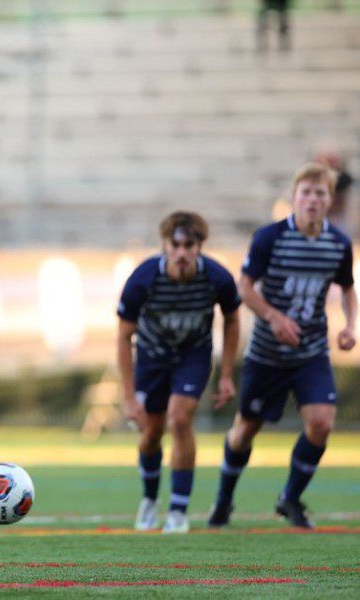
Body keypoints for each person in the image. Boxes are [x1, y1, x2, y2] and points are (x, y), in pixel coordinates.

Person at [208, 163, 356, 529]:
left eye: (320, 193)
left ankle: (289, 498)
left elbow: (348, 288)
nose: (312, 199)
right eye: (305, 192)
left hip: (311, 353)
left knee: (321, 423)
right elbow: (244, 287)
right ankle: (223, 501)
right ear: (294, 197)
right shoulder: (269, 238)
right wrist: (274, 317)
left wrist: (351, 325)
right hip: (267, 354)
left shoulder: (338, 243)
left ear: (329, 200)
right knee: (245, 430)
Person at [117, 211, 241, 533]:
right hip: (151, 359)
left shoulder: (217, 278)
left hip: (193, 356)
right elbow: (122, 335)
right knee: (151, 434)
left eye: (190, 245)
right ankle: (149, 500)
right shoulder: (143, 278)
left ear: (200, 247)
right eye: (177, 245)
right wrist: (129, 397)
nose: (183, 252)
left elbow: (232, 319)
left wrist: (226, 375)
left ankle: (178, 510)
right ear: (165, 246)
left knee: (180, 418)